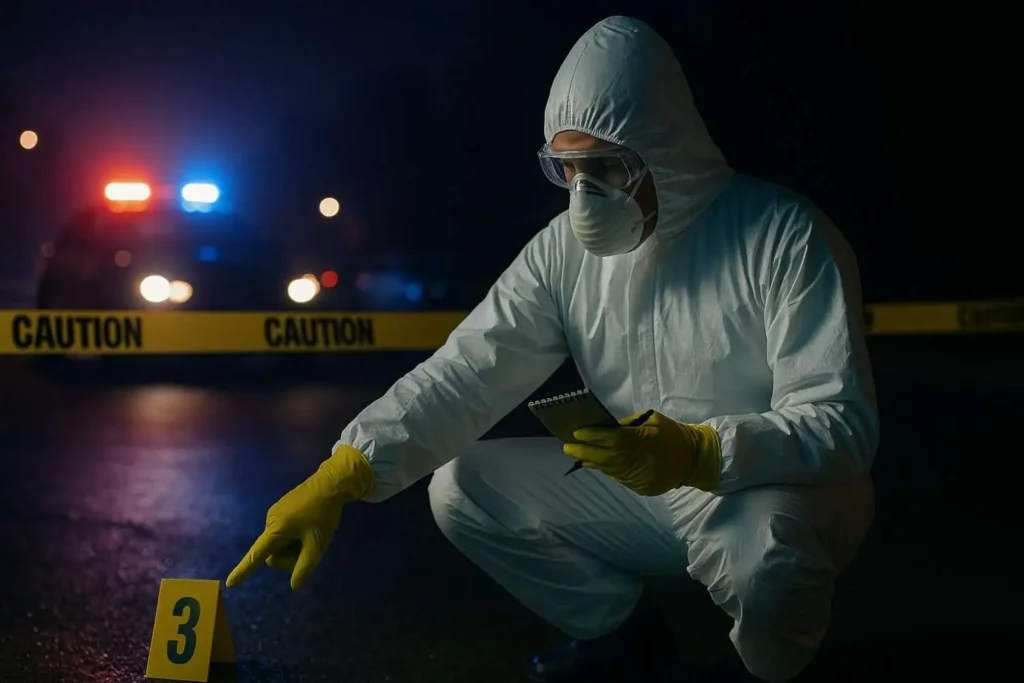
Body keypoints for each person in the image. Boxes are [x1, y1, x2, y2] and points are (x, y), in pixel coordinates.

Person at [226, 15, 878, 683]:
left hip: (770, 488)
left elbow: (840, 425)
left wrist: (702, 450)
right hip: (645, 482)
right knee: (463, 486)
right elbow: (470, 369)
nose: (584, 193)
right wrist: (346, 470)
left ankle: (784, 670)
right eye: (567, 168)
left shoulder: (783, 234)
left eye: (606, 167)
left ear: (666, 148)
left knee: (767, 563)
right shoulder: (561, 252)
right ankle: (621, 636)